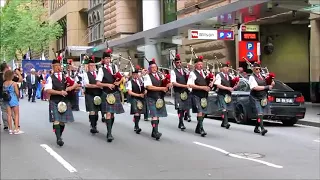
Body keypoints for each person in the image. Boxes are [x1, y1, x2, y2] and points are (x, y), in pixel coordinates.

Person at [45, 59, 81, 146]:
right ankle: (58, 138)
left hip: (65, 101)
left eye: (59, 65)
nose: (58, 67)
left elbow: (77, 85)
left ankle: (59, 135)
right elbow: (48, 90)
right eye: (56, 66)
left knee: (62, 122)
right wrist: (60, 92)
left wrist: (71, 88)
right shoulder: (50, 78)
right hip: (54, 101)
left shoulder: (66, 76)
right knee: (56, 120)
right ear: (52, 67)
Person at [96, 50, 125, 142]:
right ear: (103, 60)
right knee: (108, 113)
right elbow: (98, 83)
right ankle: (109, 133)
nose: (108, 60)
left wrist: (118, 82)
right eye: (106, 58)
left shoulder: (114, 67)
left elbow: (121, 78)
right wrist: (107, 85)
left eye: (109, 58)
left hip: (115, 92)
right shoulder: (101, 69)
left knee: (112, 114)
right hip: (106, 93)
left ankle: (110, 130)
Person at [187, 56, 213, 137]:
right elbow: (190, 85)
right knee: (200, 111)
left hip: (204, 95)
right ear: (195, 65)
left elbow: (210, 81)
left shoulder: (205, 72)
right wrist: (202, 87)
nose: (201, 66)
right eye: (199, 64)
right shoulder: (192, 73)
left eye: (201, 64)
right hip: (196, 94)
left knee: (204, 112)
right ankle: (201, 129)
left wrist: (211, 84)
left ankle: (198, 127)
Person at [144, 59, 169, 140]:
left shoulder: (160, 75)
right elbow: (148, 87)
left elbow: (165, 83)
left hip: (159, 98)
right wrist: (162, 88)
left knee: (157, 116)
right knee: (154, 115)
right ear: (150, 69)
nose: (154, 69)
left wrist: (168, 85)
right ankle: (156, 132)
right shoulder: (147, 76)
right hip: (151, 97)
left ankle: (153, 132)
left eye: (155, 67)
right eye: (152, 67)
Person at [248, 62, 275, 136]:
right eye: (256, 69)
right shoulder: (252, 77)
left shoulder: (263, 76)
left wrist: (271, 82)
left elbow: (269, 84)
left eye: (259, 69)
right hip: (255, 97)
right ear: (253, 70)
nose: (258, 70)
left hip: (263, 97)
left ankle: (256, 127)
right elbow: (255, 88)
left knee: (261, 114)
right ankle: (262, 128)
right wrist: (267, 87)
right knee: (260, 113)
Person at [170, 54, 192, 131]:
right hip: (178, 92)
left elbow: (190, 78)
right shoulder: (173, 72)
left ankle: (186, 116)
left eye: (180, 62)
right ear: (175, 63)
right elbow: (173, 83)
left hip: (186, 92)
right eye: (177, 62)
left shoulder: (184, 70)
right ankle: (181, 122)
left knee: (185, 107)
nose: (179, 64)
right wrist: (184, 86)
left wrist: (190, 71)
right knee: (180, 108)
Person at [214, 63, 238, 129]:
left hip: (228, 94)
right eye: (225, 68)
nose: (227, 69)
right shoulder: (219, 75)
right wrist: (227, 88)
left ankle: (223, 122)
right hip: (221, 93)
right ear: (222, 69)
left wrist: (235, 86)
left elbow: (232, 84)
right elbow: (218, 85)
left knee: (226, 109)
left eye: (227, 68)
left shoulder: (230, 76)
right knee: (224, 108)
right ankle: (226, 123)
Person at [0, 63, 22, 131]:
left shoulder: (4, 83)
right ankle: (16, 127)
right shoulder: (13, 83)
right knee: (16, 114)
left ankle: (9, 128)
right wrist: (18, 73)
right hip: (13, 98)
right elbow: (17, 92)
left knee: (7, 113)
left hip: (4, 98)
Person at [83, 59, 102, 134]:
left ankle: (95, 125)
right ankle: (92, 125)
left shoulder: (98, 73)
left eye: (94, 65)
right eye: (91, 65)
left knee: (97, 111)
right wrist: (97, 86)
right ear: (88, 66)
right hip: (90, 94)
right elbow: (87, 85)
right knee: (92, 111)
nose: (93, 67)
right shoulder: (86, 74)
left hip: (98, 94)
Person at [126, 66, 146, 134]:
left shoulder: (141, 81)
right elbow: (129, 92)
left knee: (139, 112)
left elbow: (145, 88)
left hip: (141, 98)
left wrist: (145, 92)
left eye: (136, 74)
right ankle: (136, 127)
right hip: (134, 98)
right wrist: (138, 95)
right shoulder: (130, 82)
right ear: (132, 75)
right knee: (137, 112)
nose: (135, 75)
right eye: (134, 74)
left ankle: (136, 122)